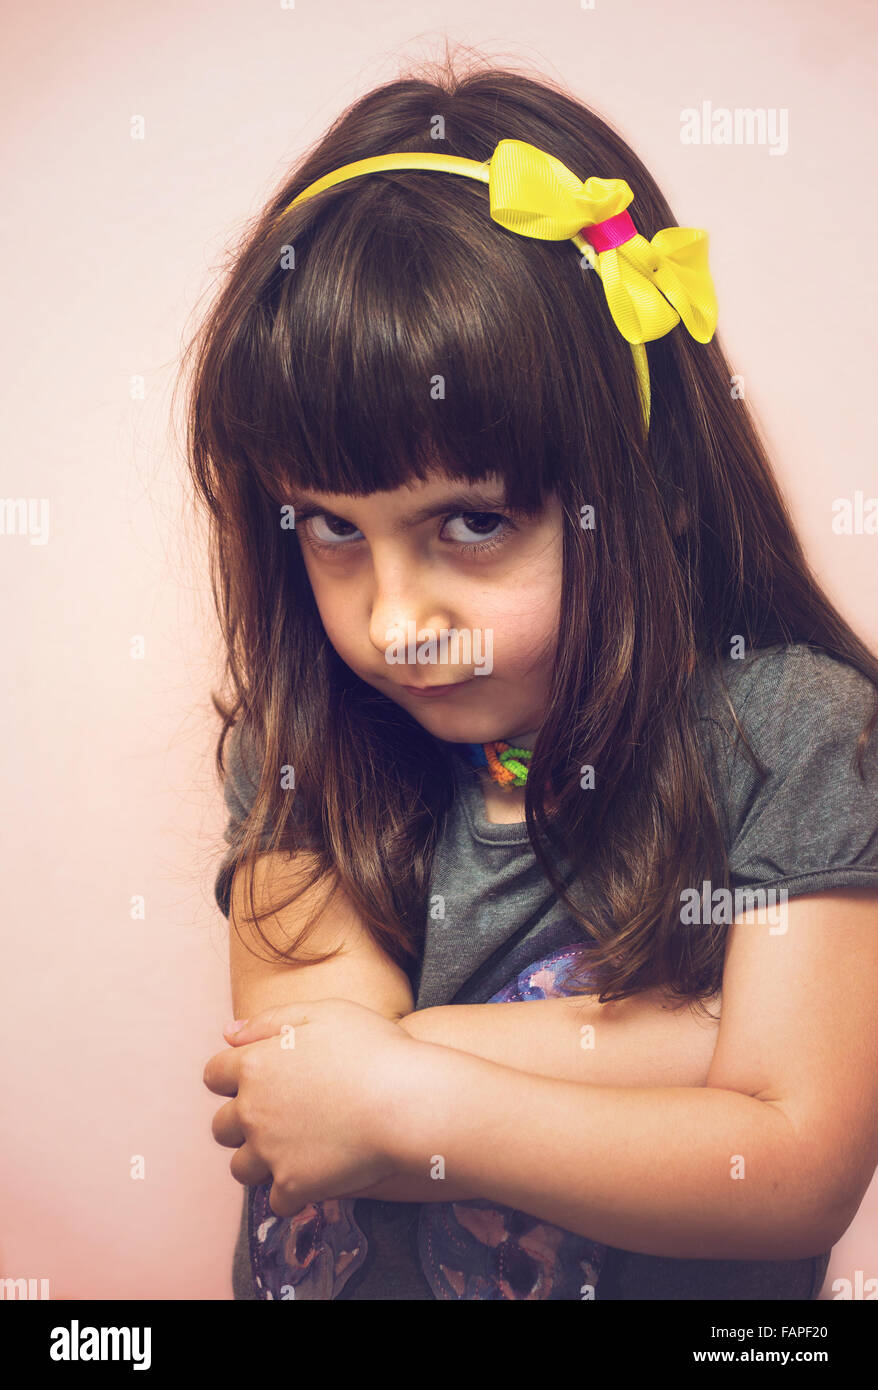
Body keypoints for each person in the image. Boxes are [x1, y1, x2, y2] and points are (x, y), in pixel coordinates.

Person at [192, 57, 878, 1300]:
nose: (396, 621)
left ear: (656, 490)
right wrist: (700, 1047)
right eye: (331, 527)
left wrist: (394, 1085)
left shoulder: (790, 735)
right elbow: (305, 1077)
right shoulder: (301, 738)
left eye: (469, 521)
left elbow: (786, 1162)